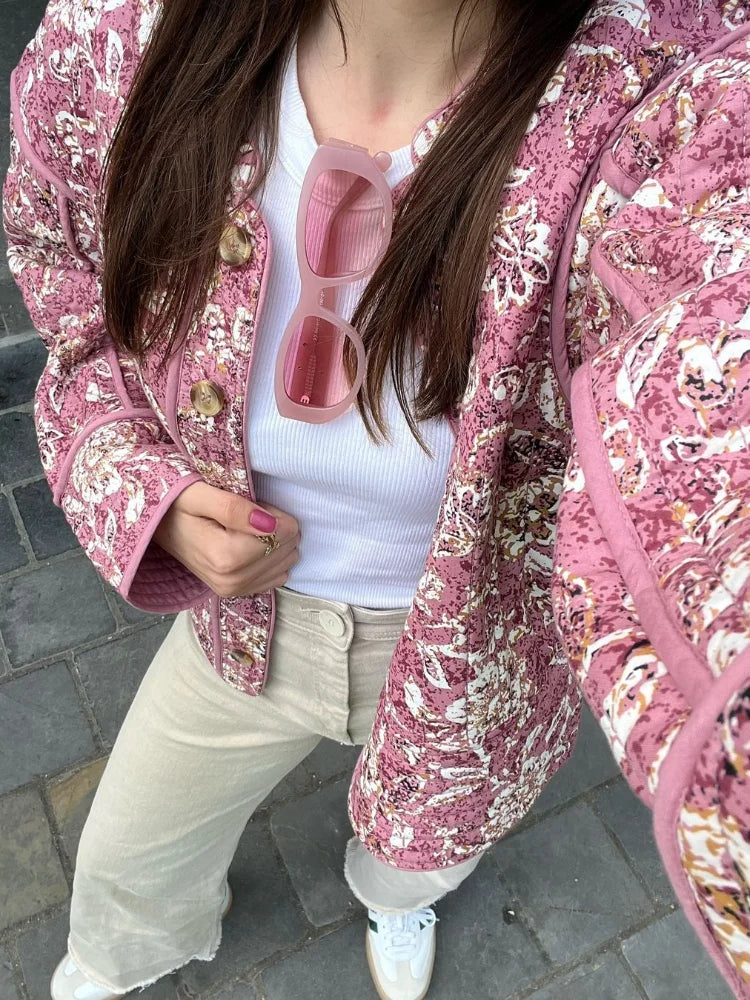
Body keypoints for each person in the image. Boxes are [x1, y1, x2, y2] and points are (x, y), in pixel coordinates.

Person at [2, 0, 749, 998]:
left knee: (426, 842)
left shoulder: (670, 99)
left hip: (478, 656)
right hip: (247, 622)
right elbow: (74, 300)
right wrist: (142, 488)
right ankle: (121, 951)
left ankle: (394, 895)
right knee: (131, 849)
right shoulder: (120, 39)